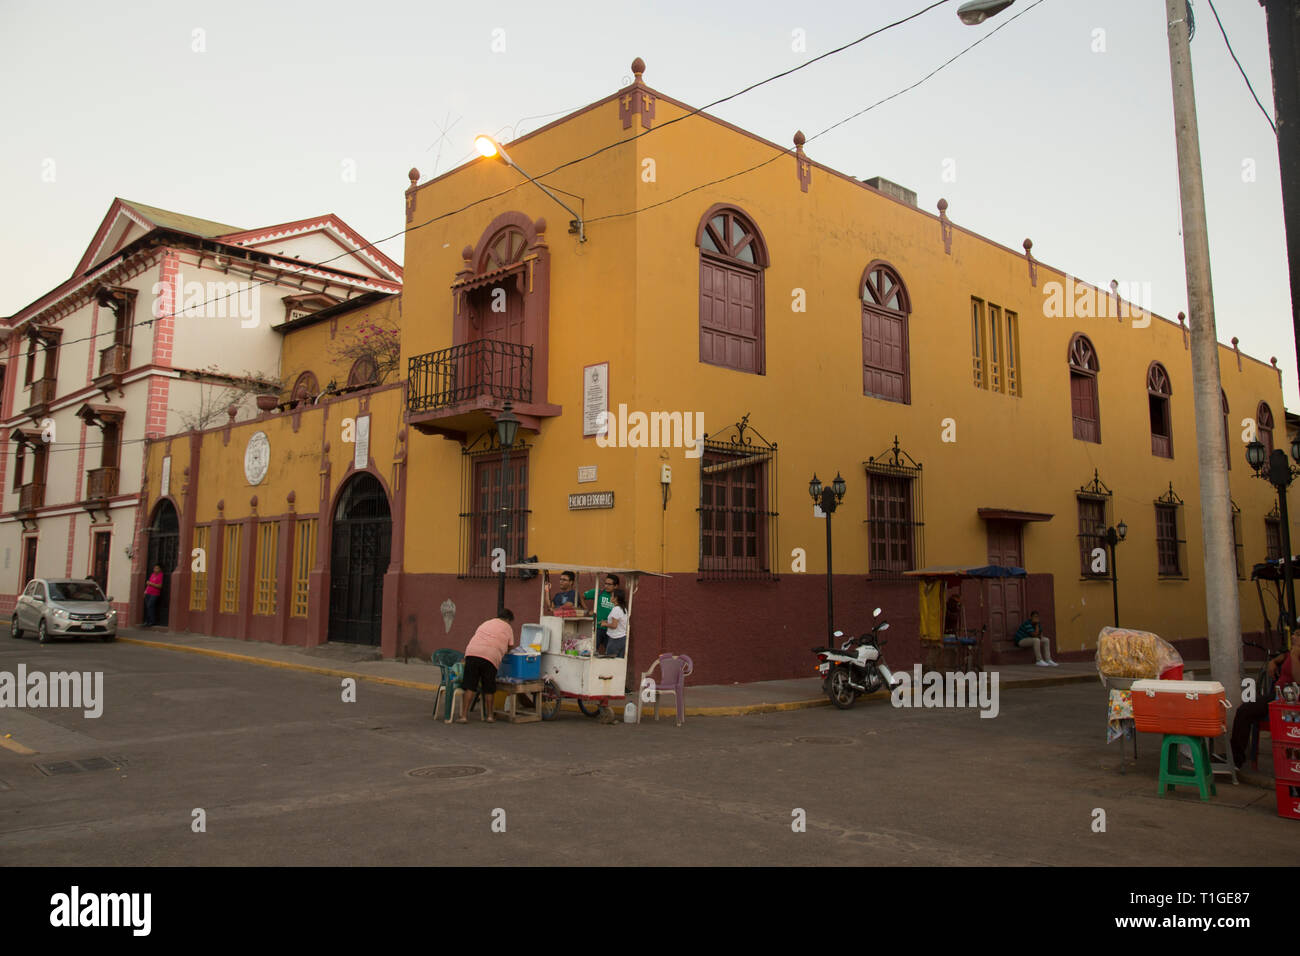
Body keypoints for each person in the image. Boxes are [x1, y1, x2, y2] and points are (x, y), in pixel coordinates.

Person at [1230, 632, 1299, 768]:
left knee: (1245, 711)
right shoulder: (1293, 651)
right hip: (1276, 695)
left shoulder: (1296, 654)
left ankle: (1236, 760)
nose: (1293, 637)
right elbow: (1282, 657)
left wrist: (1295, 656)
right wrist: (1273, 662)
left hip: (1288, 699)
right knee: (1244, 710)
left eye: (1297, 635)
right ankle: (1236, 757)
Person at [450, 609, 515, 724]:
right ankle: (490, 716)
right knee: (489, 688)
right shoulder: (508, 627)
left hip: (472, 653)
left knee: (470, 686)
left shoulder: (486, 623)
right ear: (508, 620)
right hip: (490, 658)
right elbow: (510, 646)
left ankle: (464, 716)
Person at [582, 573, 619, 653]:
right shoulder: (599, 592)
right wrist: (587, 610)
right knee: (592, 651)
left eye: (609, 584)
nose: (606, 586)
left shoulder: (617, 597)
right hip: (597, 628)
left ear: (616, 586)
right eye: (605, 583)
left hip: (610, 630)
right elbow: (582, 596)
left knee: (610, 654)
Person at [602, 589, 629, 658]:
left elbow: (614, 625)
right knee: (619, 662)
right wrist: (607, 621)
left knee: (610, 661)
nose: (610, 598)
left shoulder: (616, 609)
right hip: (622, 638)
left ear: (616, 598)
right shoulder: (623, 609)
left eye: (611, 596)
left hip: (615, 639)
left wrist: (605, 624)